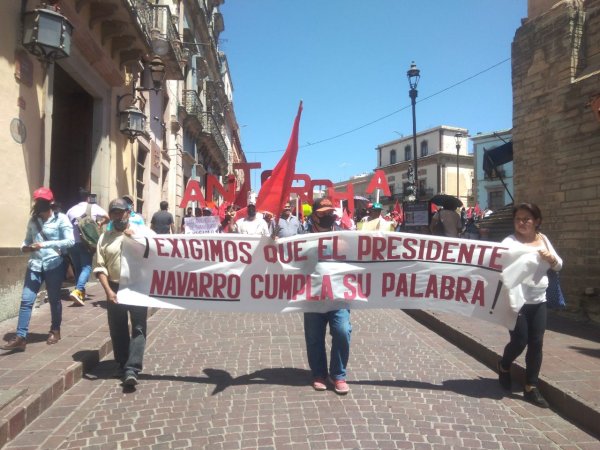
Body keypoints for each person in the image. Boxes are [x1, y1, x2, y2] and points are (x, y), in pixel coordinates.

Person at [497, 203, 562, 408]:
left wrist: (552, 259)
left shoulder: (543, 239)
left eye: (526, 219)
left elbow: (559, 264)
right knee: (519, 341)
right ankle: (504, 365)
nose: (522, 223)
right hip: (517, 301)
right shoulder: (509, 242)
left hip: (539, 299)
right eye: (518, 219)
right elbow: (495, 263)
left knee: (537, 343)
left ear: (537, 221)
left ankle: (531, 387)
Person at [1, 187, 74, 352]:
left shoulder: (61, 219)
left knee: (54, 299)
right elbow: (26, 240)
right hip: (34, 265)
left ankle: (55, 330)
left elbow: (70, 241)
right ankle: (21, 336)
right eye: (37, 202)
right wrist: (25, 248)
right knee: (26, 300)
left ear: (50, 203)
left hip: (54, 264)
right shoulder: (33, 221)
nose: (38, 205)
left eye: (42, 202)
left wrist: (44, 244)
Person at [94, 198, 151, 386]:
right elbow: (100, 267)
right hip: (115, 287)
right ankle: (121, 362)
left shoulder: (142, 232)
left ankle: (132, 368)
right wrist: (108, 291)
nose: (118, 216)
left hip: (137, 286)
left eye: (121, 212)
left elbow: (159, 252)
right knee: (117, 327)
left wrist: (137, 239)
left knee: (138, 327)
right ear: (110, 216)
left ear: (129, 213)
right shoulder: (104, 237)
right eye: (114, 213)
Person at [303, 197, 352, 395]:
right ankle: (319, 374)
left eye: (330, 213)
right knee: (314, 336)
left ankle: (338, 375)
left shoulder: (344, 236)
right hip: (312, 294)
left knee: (342, 330)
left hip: (338, 294)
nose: (327, 216)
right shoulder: (301, 237)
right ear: (314, 215)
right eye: (323, 213)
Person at [66, 188, 109, 305]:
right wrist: (100, 223)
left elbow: (66, 226)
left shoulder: (70, 210)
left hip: (72, 243)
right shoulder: (93, 207)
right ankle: (78, 290)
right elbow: (108, 217)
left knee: (78, 267)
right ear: (88, 198)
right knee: (87, 267)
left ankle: (81, 293)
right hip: (87, 243)